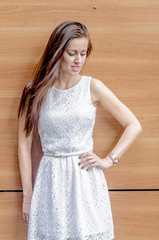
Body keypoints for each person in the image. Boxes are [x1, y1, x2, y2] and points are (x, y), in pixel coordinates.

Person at [18, 21, 142, 240]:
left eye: (83, 53)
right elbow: (23, 144)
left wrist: (109, 160)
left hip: (85, 179)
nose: (78, 60)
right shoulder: (34, 91)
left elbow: (133, 125)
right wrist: (27, 195)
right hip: (51, 179)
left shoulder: (92, 87)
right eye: (72, 53)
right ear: (57, 52)